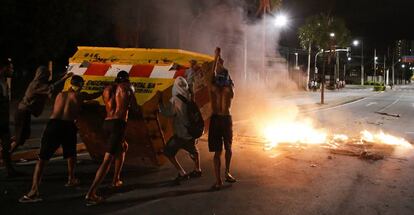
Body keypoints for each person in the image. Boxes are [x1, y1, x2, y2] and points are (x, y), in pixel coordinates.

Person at [19, 75, 101, 203]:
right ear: (80, 85)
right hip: (68, 125)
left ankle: (34, 190)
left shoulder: (60, 95)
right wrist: (106, 88)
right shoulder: (80, 95)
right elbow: (94, 95)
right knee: (71, 153)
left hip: (53, 124)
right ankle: (71, 178)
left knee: (42, 158)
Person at [85, 71, 139, 205]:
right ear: (126, 79)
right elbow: (135, 108)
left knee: (123, 147)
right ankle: (91, 193)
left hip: (107, 123)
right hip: (118, 124)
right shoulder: (128, 87)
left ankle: (116, 179)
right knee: (107, 159)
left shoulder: (108, 89)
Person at [10, 66, 73, 153]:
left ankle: (6, 144)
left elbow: (51, 82)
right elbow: (51, 87)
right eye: (47, 75)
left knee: (23, 135)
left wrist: (63, 75)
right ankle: (7, 154)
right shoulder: (36, 85)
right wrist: (64, 78)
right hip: (23, 113)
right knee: (20, 138)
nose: (48, 77)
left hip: (24, 112)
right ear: (42, 75)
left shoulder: (38, 83)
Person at [158, 77, 202, 182]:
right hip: (190, 132)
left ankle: (182, 172)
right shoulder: (189, 97)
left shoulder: (175, 100)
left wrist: (159, 102)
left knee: (168, 152)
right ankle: (198, 169)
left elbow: (167, 113)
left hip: (180, 134)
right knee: (194, 151)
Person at [209, 58, 236, 190]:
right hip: (225, 119)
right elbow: (225, 78)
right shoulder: (229, 90)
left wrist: (216, 59)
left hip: (217, 119)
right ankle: (226, 174)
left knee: (219, 151)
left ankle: (219, 179)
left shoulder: (213, 88)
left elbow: (211, 74)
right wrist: (220, 64)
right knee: (227, 148)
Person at [0, 57, 17, 177]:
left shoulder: (5, 81)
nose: (13, 70)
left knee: (6, 145)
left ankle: (10, 170)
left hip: (3, 120)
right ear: (4, 68)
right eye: (11, 68)